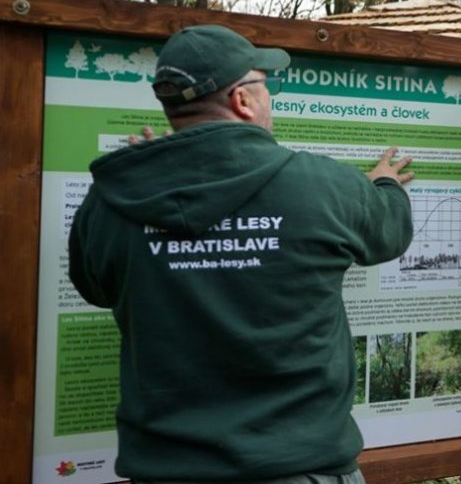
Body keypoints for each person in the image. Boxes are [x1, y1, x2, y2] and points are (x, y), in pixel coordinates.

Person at [69, 24, 415, 484]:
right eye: (265, 85)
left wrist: (152, 177)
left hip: (167, 471)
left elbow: (94, 287)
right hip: (301, 467)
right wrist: (384, 184)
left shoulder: (113, 199)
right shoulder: (323, 185)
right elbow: (390, 233)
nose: (270, 97)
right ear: (242, 100)